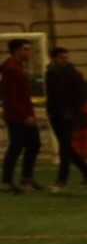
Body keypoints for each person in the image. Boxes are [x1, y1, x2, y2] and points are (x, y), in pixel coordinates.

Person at [44, 47, 87, 190]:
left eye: (66, 57)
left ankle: (62, 180)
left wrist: (72, 111)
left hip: (68, 115)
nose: (64, 60)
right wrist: (50, 111)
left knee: (64, 148)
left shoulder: (73, 74)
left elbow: (82, 95)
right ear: (53, 58)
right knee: (66, 147)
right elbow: (51, 95)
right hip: (55, 114)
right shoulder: (49, 74)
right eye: (61, 57)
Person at [2, 38, 40, 194]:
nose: (29, 52)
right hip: (17, 116)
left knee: (34, 144)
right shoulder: (12, 69)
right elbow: (9, 96)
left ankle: (26, 178)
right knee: (15, 147)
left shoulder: (17, 67)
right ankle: (6, 182)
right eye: (26, 49)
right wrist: (25, 115)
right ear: (16, 50)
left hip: (23, 114)